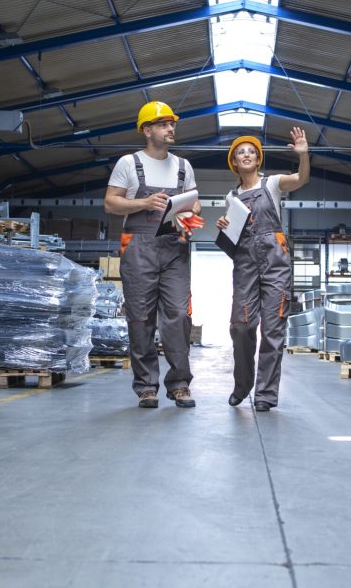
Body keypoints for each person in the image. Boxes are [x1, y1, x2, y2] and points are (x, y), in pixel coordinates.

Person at [104, 101, 203, 409]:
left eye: (172, 123)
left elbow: (196, 204)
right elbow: (111, 203)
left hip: (174, 248)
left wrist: (187, 215)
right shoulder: (128, 163)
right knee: (141, 318)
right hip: (138, 247)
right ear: (147, 130)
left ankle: (179, 384)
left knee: (178, 316)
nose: (170, 128)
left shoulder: (184, 166)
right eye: (163, 124)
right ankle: (147, 386)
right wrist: (145, 204)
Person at [215, 128, 310, 411]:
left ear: (258, 160)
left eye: (252, 152)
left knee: (272, 331)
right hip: (245, 264)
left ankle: (266, 394)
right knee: (241, 327)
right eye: (240, 152)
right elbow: (232, 237)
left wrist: (303, 156)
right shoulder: (231, 197)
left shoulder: (272, 184)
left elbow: (301, 179)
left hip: (275, 264)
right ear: (234, 161)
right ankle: (243, 385)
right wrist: (223, 225)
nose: (246, 155)